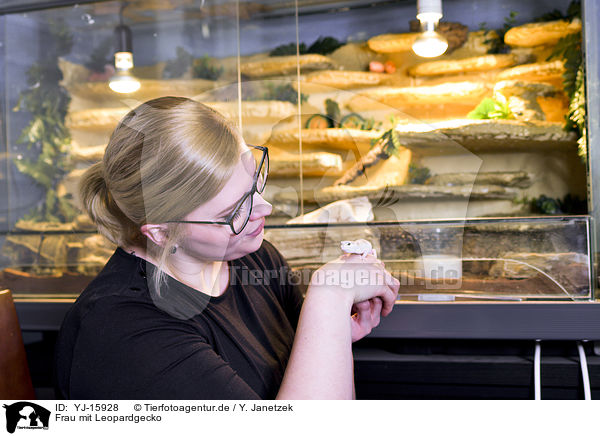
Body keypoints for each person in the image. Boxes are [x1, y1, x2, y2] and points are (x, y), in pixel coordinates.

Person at [54, 96, 400, 400]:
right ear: (160, 232)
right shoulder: (123, 329)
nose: (264, 209)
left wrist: (331, 335)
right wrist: (328, 300)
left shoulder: (253, 256)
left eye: (254, 183)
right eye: (233, 212)